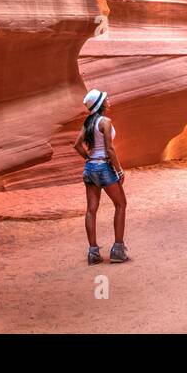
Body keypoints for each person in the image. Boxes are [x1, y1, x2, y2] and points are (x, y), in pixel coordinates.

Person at [74, 88, 129, 264]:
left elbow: (77, 145)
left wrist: (89, 158)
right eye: (105, 98)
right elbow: (110, 149)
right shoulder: (105, 122)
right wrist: (119, 170)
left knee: (91, 209)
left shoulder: (88, 122)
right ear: (100, 104)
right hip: (104, 167)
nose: (108, 99)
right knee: (121, 204)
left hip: (90, 168)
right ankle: (118, 250)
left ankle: (93, 253)